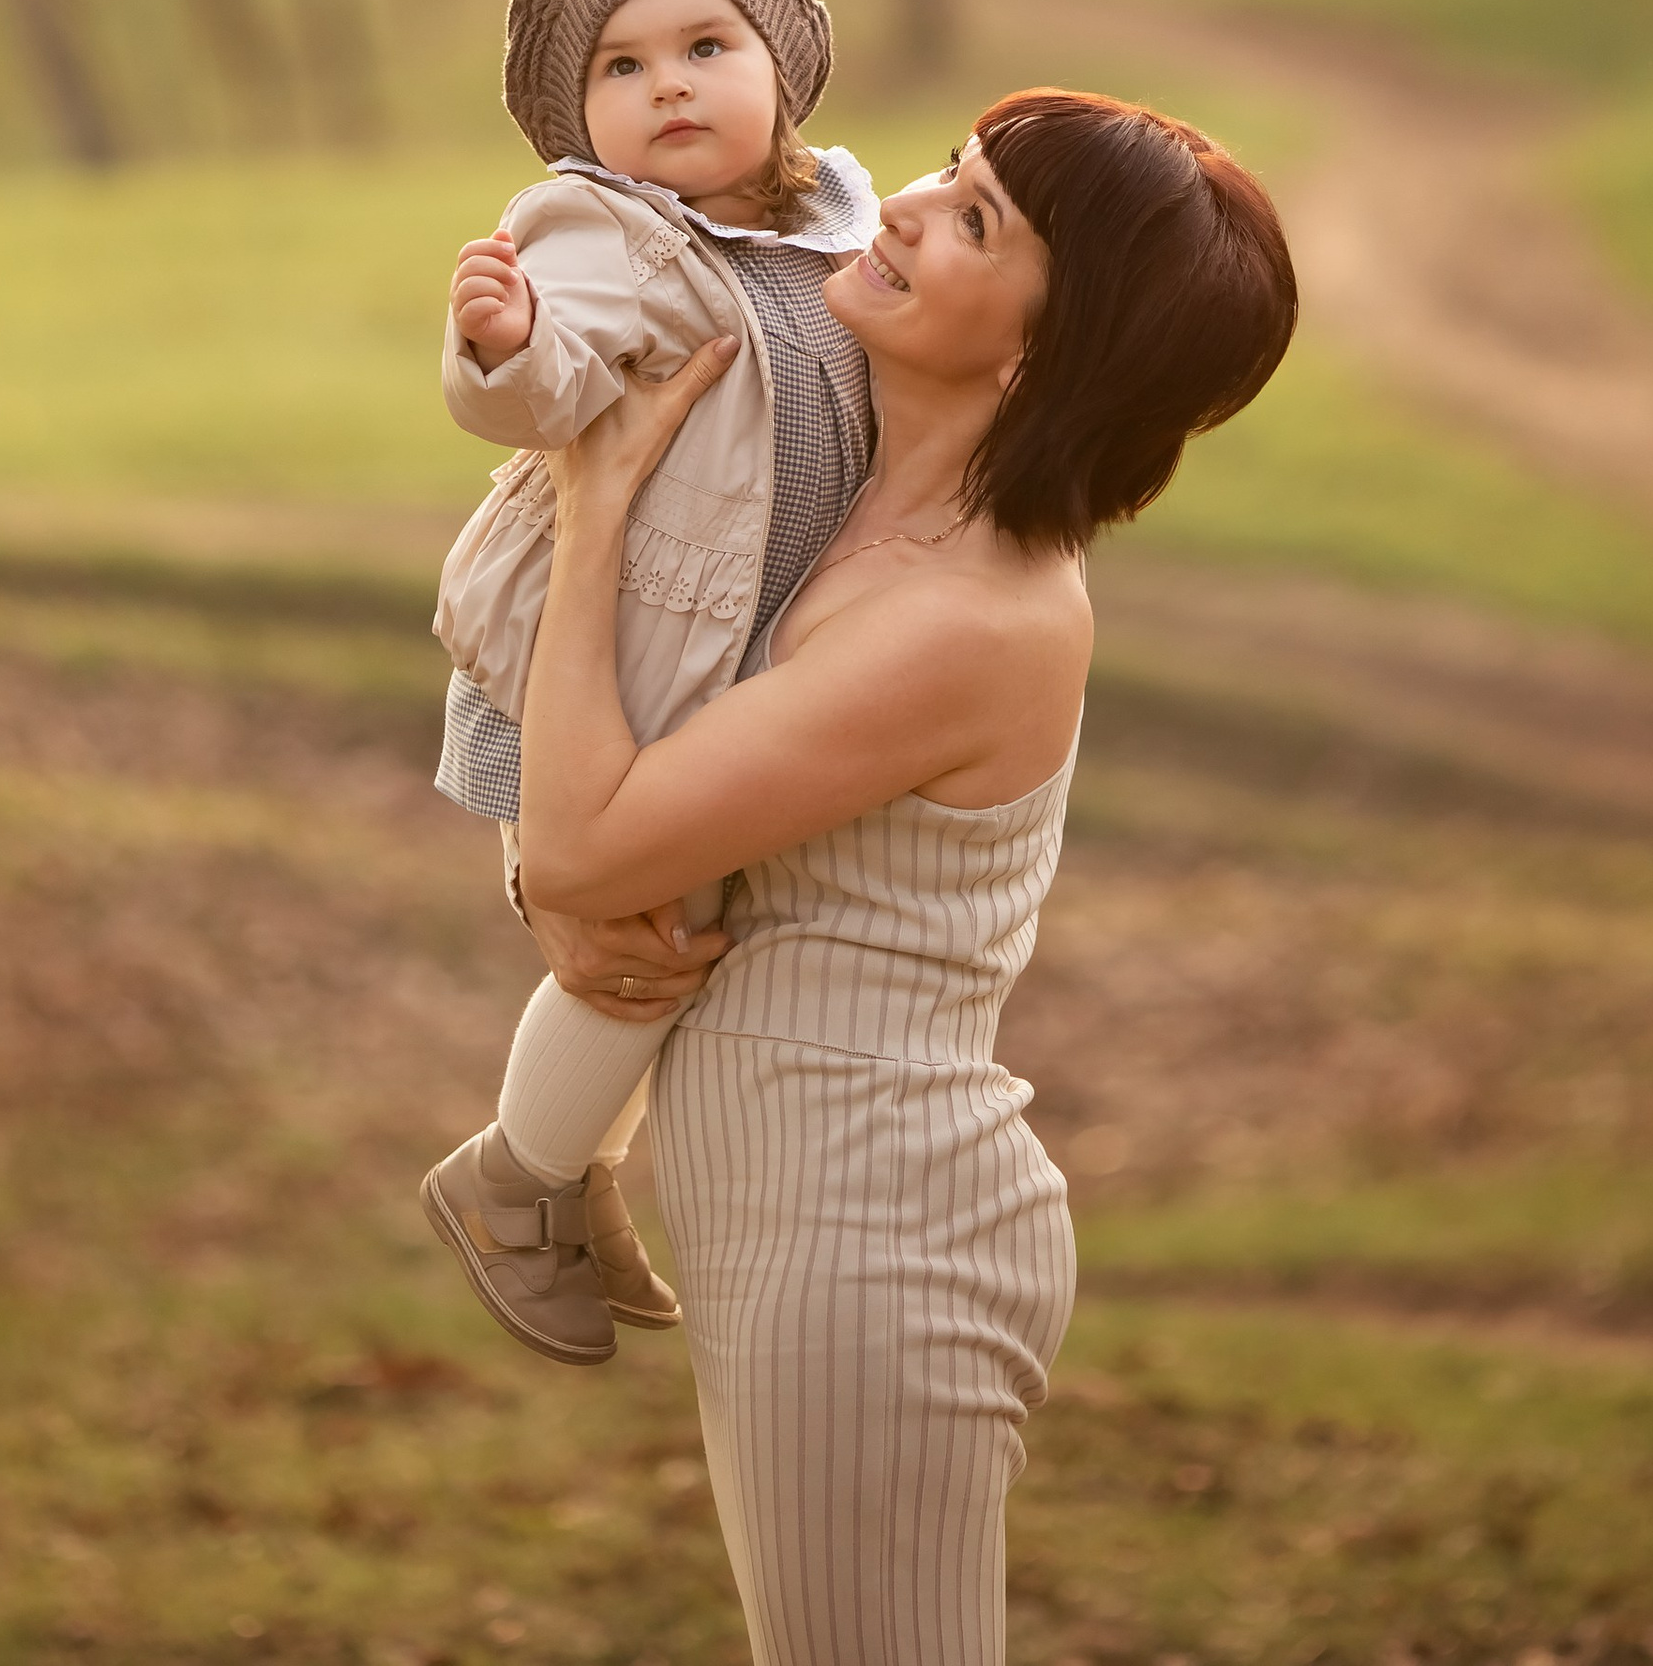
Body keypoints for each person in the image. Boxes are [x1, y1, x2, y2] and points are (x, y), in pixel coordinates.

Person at [513, 87, 1298, 1666]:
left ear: (1045, 355)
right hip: (799, 1212)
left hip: (873, 1235)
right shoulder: (843, 479)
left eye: (978, 222)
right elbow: (622, 811)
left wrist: (592, 507)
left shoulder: (974, 620)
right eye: (952, 171)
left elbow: (588, 843)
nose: (907, 207)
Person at [424, 0, 881, 1363]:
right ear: (580, 122)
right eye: (621, 68)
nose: (668, 83)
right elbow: (549, 386)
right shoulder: (601, 228)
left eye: (704, 43)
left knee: (680, 935)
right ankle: (511, 1183)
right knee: (639, 938)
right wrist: (503, 340)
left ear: (782, 71)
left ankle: (579, 1176)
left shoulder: (837, 223)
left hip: (708, 659)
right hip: (598, 658)